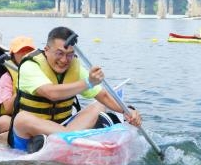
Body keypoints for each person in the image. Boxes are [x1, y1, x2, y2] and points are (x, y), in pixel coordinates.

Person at [11, 26, 142, 153]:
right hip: (32, 132)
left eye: (69, 55)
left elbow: (103, 95)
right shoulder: (30, 65)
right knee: (22, 119)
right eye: (59, 53)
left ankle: (67, 138)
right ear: (46, 50)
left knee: (99, 105)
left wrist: (128, 111)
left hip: (65, 126)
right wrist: (88, 82)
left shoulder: (75, 67)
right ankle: (76, 137)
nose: (64, 60)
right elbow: (51, 93)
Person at [0, 36, 37, 144]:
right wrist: (21, 88)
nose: (25, 54)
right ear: (12, 55)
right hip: (17, 117)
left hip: (38, 116)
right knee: (2, 122)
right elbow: (7, 108)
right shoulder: (6, 77)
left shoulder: (40, 71)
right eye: (20, 51)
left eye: (29, 50)